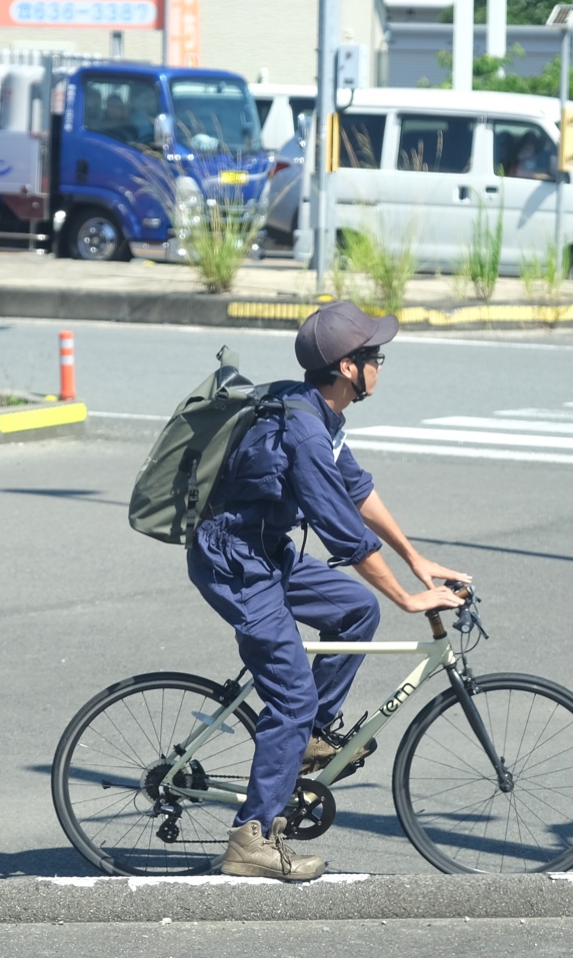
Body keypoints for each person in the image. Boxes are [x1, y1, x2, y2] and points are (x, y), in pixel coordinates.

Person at [190, 302, 470, 881]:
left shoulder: (318, 411)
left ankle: (311, 736)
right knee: (291, 696)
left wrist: (418, 562)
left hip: (265, 549)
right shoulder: (306, 436)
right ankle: (251, 840)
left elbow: (359, 492)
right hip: (236, 561)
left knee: (354, 608)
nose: (380, 366)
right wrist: (410, 600)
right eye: (375, 357)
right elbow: (346, 534)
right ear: (349, 367)